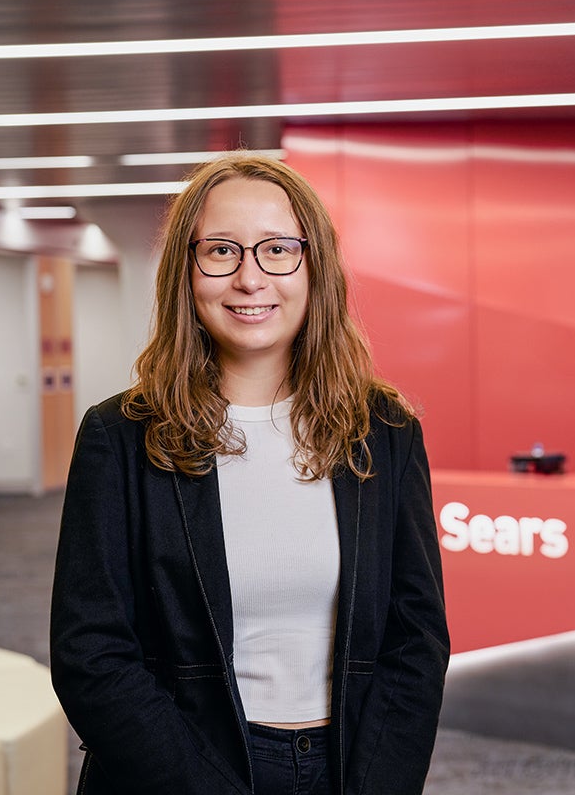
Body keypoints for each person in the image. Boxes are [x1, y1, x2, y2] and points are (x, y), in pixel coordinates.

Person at [50, 151, 450, 795]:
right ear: (186, 270)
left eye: (277, 250)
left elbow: (416, 639)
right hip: (177, 771)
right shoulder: (119, 437)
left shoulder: (384, 429)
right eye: (222, 251)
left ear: (314, 267)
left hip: (348, 767)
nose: (250, 277)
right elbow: (92, 656)